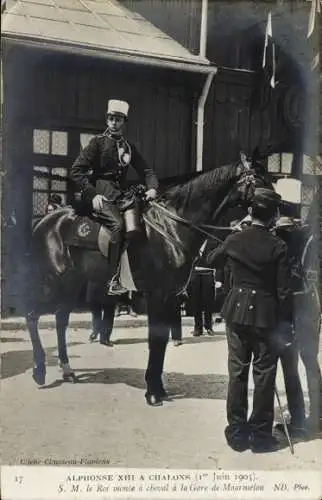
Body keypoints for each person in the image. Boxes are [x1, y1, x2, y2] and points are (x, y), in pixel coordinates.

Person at [206, 188, 293, 453]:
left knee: (238, 373)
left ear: (251, 212)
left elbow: (210, 259)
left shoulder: (235, 240)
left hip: (236, 313)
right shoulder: (279, 246)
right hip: (266, 317)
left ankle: (237, 434)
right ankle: (261, 437)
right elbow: (284, 292)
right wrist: (286, 325)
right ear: (275, 215)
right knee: (264, 375)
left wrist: (235, 234)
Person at [69, 99, 158, 295]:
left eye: (118, 119)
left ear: (124, 122)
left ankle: (136, 275)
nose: (114, 123)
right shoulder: (97, 143)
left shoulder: (128, 146)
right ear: (107, 121)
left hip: (122, 196)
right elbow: (76, 171)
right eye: (111, 119)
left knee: (139, 226)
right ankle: (112, 279)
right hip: (101, 194)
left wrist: (152, 188)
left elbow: (147, 170)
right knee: (117, 226)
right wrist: (92, 193)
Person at [275, 216, 322, 434]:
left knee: (291, 365)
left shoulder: (280, 245)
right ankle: (317, 417)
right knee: (310, 362)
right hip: (310, 306)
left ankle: (298, 420)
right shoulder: (312, 241)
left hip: (292, 307)